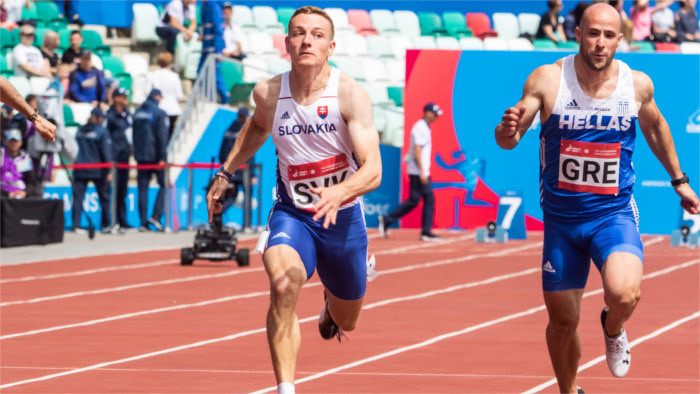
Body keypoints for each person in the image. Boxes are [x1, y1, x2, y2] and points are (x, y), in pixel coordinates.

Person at [494, 4, 700, 393]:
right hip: (562, 222)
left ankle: (613, 325)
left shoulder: (636, 85)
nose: (600, 43)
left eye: (608, 35)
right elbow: (509, 140)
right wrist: (505, 129)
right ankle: (569, 390)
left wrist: (680, 180)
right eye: (593, 34)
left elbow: (656, 128)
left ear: (620, 39)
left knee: (624, 293)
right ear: (578, 34)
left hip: (613, 214)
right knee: (562, 321)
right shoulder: (548, 79)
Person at [206, 6, 382, 394]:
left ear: (331, 46)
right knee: (284, 285)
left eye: (317, 35)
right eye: (299, 33)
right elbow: (255, 129)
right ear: (287, 43)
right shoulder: (269, 93)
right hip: (293, 214)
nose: (307, 41)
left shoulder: (349, 94)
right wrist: (225, 172)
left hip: (343, 220)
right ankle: (287, 388)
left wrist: (339, 191)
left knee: (347, 320)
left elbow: (373, 170)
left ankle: (332, 300)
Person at [378, 103, 443, 242]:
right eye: (434, 113)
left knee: (415, 200)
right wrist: (422, 172)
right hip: (419, 172)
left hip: (418, 171)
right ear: (426, 112)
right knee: (428, 199)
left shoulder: (423, 127)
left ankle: (387, 219)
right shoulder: (421, 127)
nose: (436, 117)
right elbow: (418, 150)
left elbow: (414, 150)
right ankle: (425, 232)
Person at [132, 89, 168, 232]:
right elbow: (162, 137)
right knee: (164, 184)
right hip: (155, 156)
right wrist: (162, 157)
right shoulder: (159, 113)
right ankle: (156, 215)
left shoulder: (137, 112)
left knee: (142, 189)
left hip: (141, 156)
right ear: (157, 97)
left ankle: (142, 223)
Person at [72, 107, 112, 233]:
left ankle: (75, 225)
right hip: (97, 169)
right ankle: (105, 225)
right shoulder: (102, 131)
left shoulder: (80, 130)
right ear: (100, 118)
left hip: (80, 168)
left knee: (78, 198)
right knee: (104, 198)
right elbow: (106, 152)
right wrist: (109, 170)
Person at [105, 87, 134, 233]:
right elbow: (107, 138)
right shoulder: (110, 115)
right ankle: (112, 221)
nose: (125, 99)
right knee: (114, 191)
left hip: (125, 157)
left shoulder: (127, 115)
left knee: (123, 191)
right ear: (116, 98)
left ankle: (122, 221)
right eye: (122, 96)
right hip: (114, 158)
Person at [0, 77, 56, 141]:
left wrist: (36, 118)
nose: (37, 104)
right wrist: (36, 118)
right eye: (35, 102)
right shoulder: (20, 116)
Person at [216, 107, 250, 212]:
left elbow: (222, 151)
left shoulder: (228, 129)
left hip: (228, 168)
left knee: (230, 194)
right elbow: (248, 152)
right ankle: (247, 225)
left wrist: (224, 166)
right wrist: (252, 173)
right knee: (246, 194)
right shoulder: (244, 130)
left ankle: (218, 216)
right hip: (241, 169)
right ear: (244, 117)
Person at [144, 52, 183, 140]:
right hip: (172, 109)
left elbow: (146, 92)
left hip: (158, 108)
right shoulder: (175, 76)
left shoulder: (152, 75)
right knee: (169, 135)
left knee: (157, 135)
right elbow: (179, 95)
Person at [197, 0, 229, 104]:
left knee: (216, 77)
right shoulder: (205, 6)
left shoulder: (213, 5)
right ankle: (209, 99)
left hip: (213, 50)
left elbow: (218, 29)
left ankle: (225, 100)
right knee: (201, 73)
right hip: (206, 49)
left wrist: (219, 51)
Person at [1, 127, 36, 198]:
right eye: (11, 140)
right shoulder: (1, 154)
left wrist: (25, 193)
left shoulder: (25, 158)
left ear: (21, 143)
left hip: (20, 194)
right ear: (6, 142)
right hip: (2, 194)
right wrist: (7, 194)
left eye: (16, 141)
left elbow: (31, 181)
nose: (14, 143)